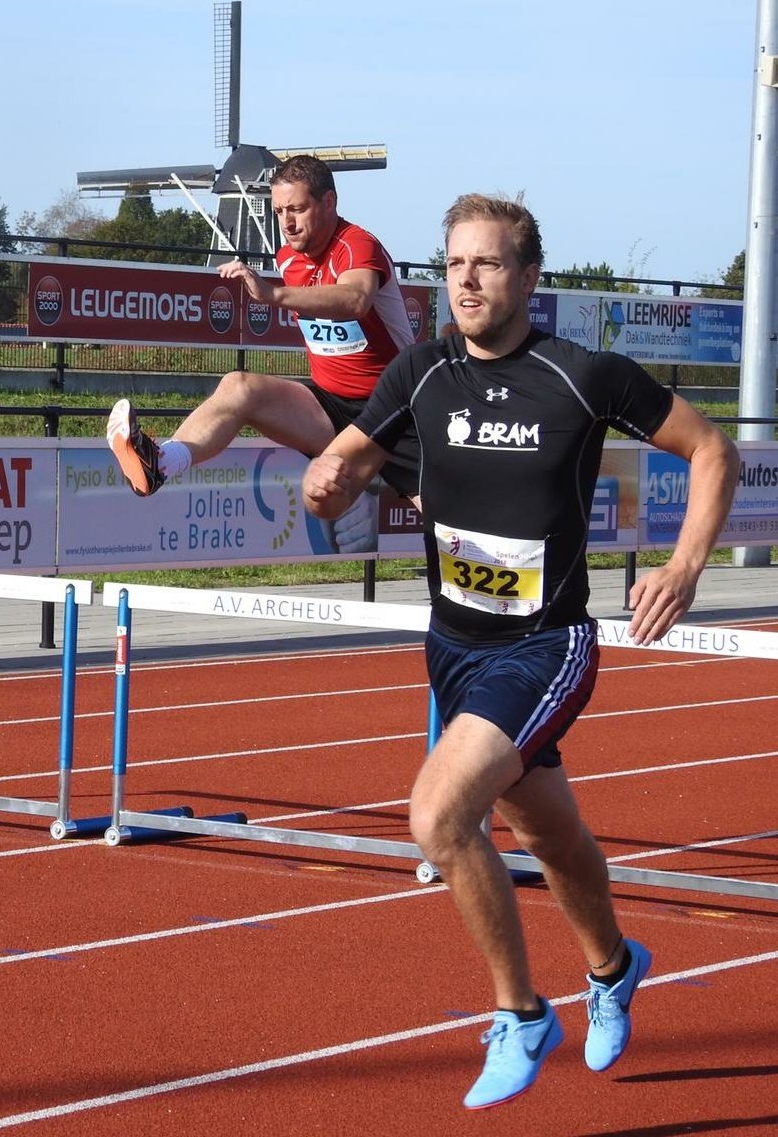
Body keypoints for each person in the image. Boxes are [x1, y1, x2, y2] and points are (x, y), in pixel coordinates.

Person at [302, 192, 739, 1110]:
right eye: (454, 262)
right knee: (547, 832)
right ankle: (615, 968)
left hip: (546, 644)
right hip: (452, 644)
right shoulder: (419, 373)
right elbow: (341, 464)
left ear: (529, 278)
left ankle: (521, 1013)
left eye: (487, 263)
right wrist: (326, 483)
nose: (466, 279)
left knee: (437, 818)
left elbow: (709, 451)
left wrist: (685, 566)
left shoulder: (581, 375)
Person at [106, 154, 420, 552]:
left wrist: (273, 294)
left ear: (328, 203)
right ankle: (160, 464)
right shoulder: (288, 257)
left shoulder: (357, 244)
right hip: (330, 408)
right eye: (278, 211)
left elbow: (355, 299)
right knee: (238, 386)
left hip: (393, 409)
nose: (286, 223)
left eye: (297, 209)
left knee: (453, 524)